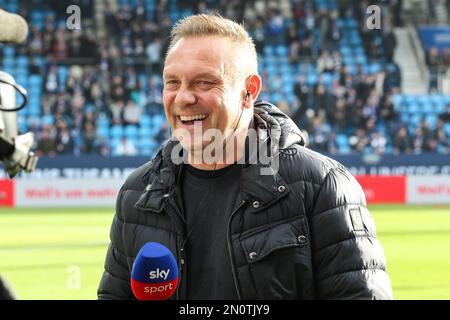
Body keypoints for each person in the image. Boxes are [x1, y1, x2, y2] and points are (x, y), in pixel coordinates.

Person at [98, 14, 393, 300]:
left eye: (204, 82)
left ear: (248, 91)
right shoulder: (138, 195)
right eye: (172, 82)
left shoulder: (321, 186)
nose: (184, 98)